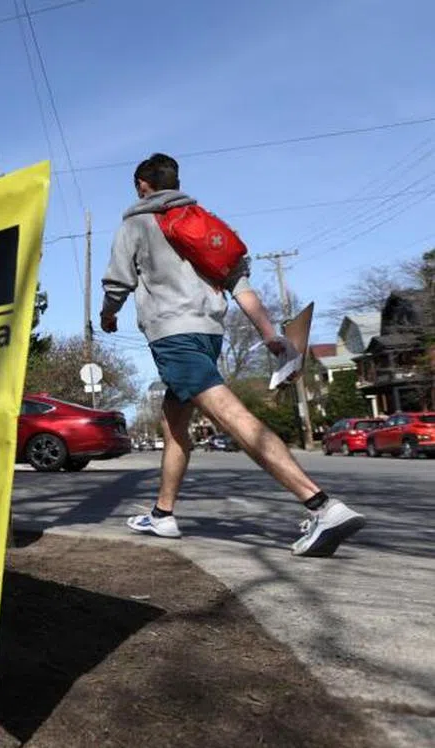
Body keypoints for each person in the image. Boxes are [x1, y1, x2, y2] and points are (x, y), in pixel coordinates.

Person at [100, 153, 365, 557]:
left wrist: (107, 315)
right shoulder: (208, 225)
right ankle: (162, 514)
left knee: (233, 417)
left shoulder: (135, 223)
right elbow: (242, 287)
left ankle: (322, 505)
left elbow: (118, 282)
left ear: (142, 185)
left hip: (174, 338)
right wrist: (271, 335)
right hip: (209, 336)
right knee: (174, 426)